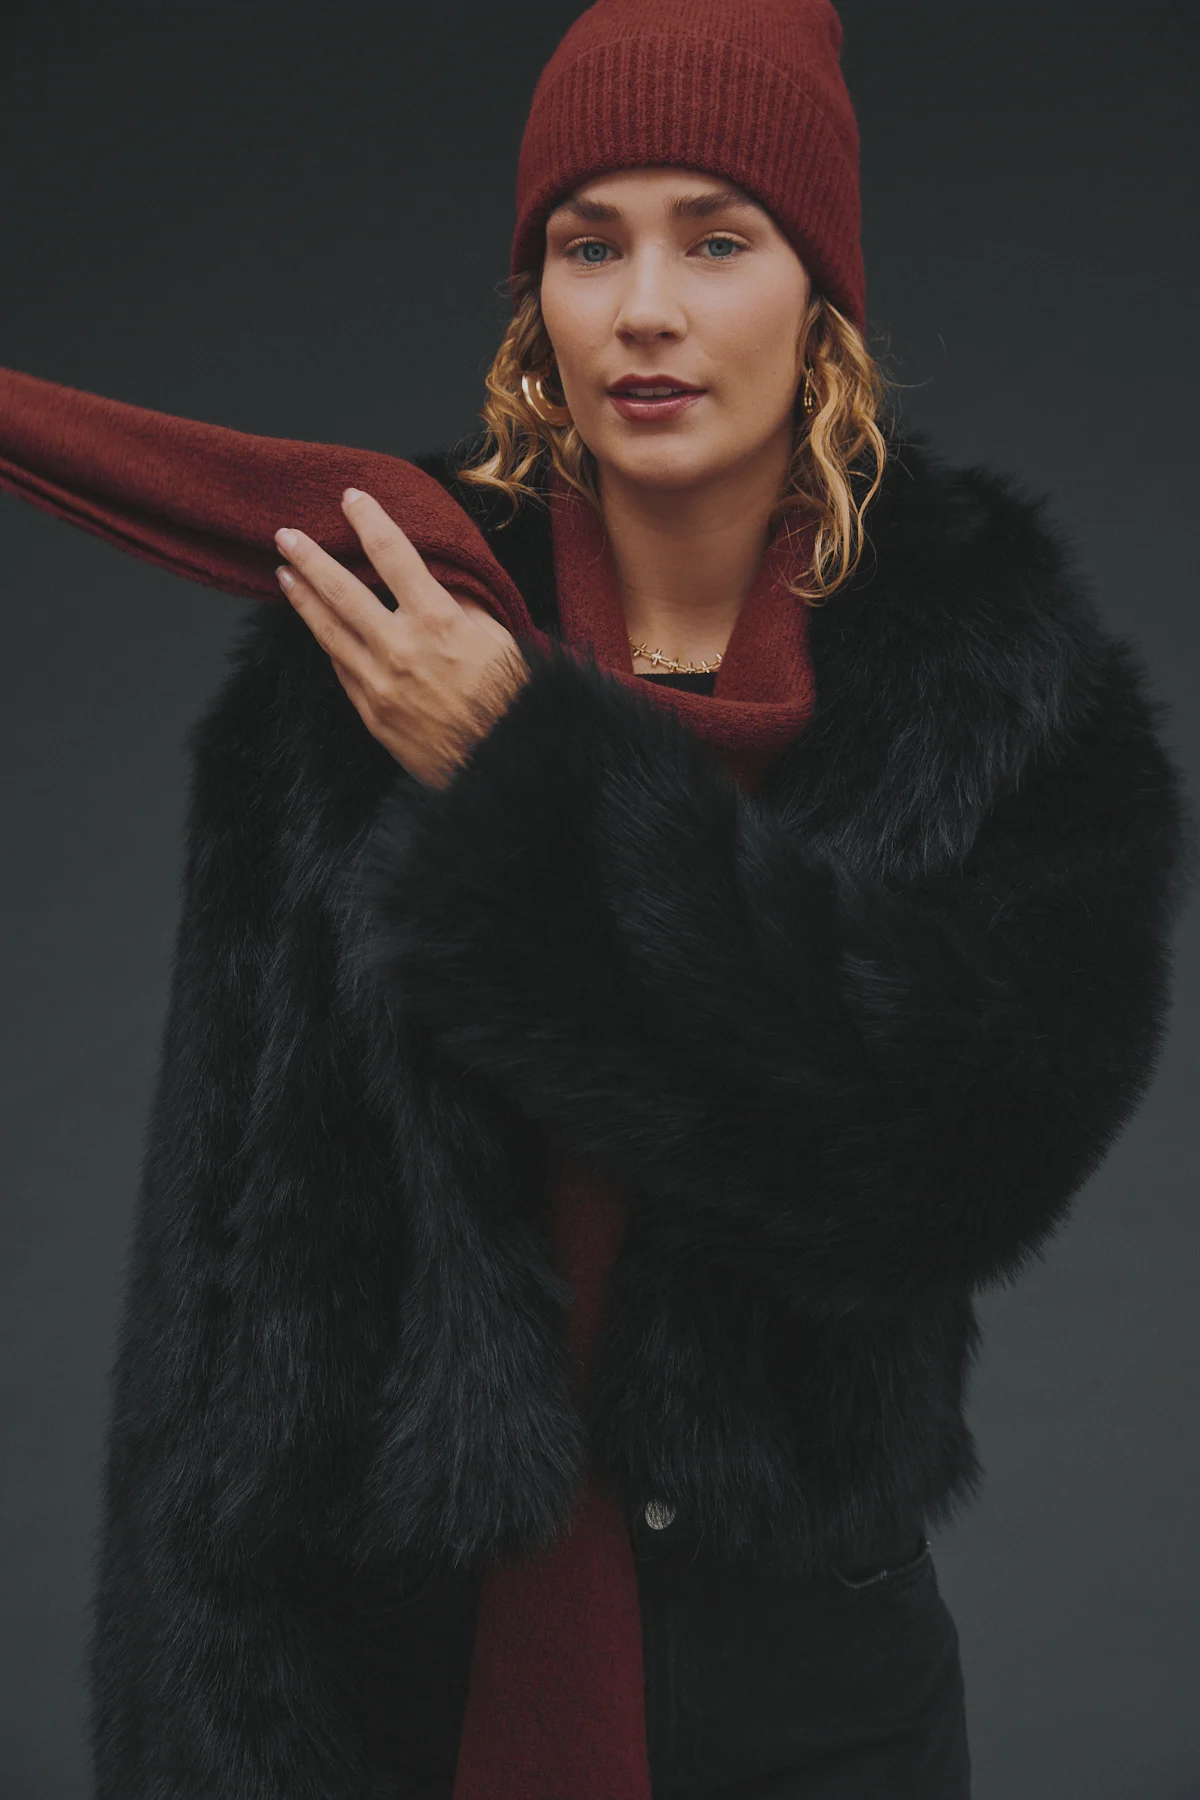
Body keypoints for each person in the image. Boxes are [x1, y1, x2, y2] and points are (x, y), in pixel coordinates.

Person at [0, 2, 1193, 1797]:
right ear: (534, 300)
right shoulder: (366, 652)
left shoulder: (999, 695)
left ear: (821, 293)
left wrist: (527, 785)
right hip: (399, 1697)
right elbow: (225, 1301)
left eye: (717, 241)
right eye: (587, 243)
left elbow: (941, 1157)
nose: (643, 307)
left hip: (816, 1696)